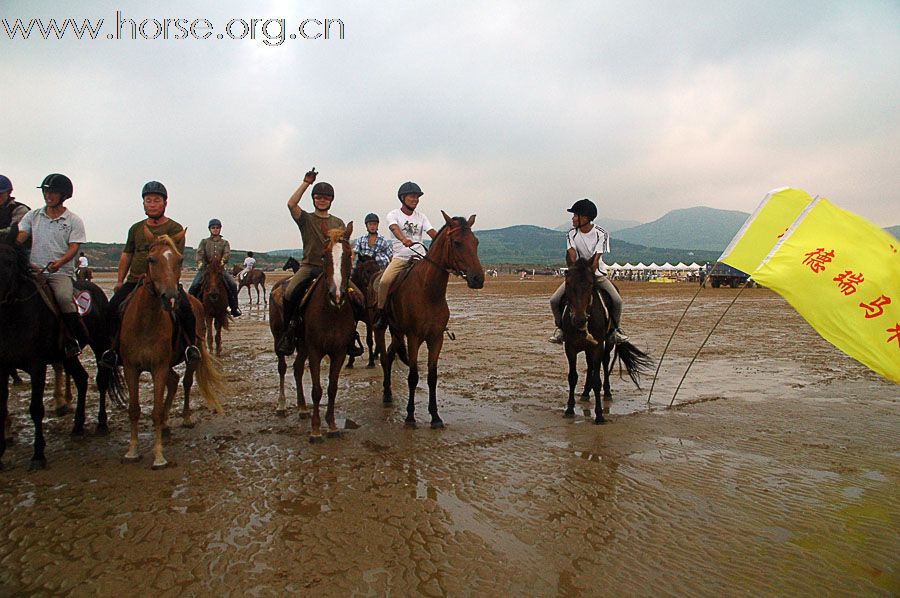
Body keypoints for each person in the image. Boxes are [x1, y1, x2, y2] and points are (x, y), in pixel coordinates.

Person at [98, 181, 200, 368]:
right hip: (135, 280)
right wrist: (120, 281)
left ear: (164, 203)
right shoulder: (136, 229)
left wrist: (173, 284)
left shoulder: (175, 229)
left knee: (186, 310)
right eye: (148, 200)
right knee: (110, 310)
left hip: (164, 282)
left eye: (156, 200)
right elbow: (127, 254)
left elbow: (176, 259)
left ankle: (190, 348)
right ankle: (111, 351)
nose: (152, 204)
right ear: (143, 204)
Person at [277, 167, 364, 356]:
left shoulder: (338, 222)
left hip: (332, 270)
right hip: (309, 266)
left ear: (331, 200)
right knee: (290, 292)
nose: (322, 200)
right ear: (314, 199)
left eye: (326, 197)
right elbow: (291, 204)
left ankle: (351, 333)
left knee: (358, 298)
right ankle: (289, 332)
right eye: (318, 197)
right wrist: (306, 183)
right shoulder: (306, 219)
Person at [15, 173, 88, 357]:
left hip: (59, 272)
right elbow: (22, 235)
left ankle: (72, 340)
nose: (48, 195)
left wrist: (60, 263)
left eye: (52, 192)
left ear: (63, 195)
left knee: (64, 298)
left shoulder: (73, 220)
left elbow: (74, 247)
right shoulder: (33, 216)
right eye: (46, 191)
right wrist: (12, 244)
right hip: (33, 270)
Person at [549, 198, 629, 344]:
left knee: (617, 301)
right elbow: (572, 253)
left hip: (596, 274)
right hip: (577, 275)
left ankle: (615, 330)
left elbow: (596, 258)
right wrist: (574, 270)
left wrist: (587, 271)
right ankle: (560, 329)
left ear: (585, 218)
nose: (572, 219)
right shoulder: (571, 234)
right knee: (554, 300)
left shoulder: (601, 234)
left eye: (575, 215)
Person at [374, 181, 437, 325]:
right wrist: (403, 239)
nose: (415, 199)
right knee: (384, 281)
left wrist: (442, 240)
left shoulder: (421, 216)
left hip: (421, 257)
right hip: (401, 258)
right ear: (402, 198)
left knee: (437, 280)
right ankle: (381, 312)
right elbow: (394, 228)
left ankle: (436, 314)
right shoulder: (393, 214)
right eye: (412, 196)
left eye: (417, 197)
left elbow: (431, 232)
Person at [188, 218, 241, 317]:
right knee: (194, 285)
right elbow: (199, 253)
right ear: (210, 229)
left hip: (220, 269)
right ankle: (190, 307)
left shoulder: (224, 242)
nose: (215, 229)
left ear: (220, 229)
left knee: (233, 284)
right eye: (213, 228)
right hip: (206, 269)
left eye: (217, 228)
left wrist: (222, 261)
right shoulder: (204, 242)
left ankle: (234, 308)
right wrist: (200, 262)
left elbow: (227, 253)